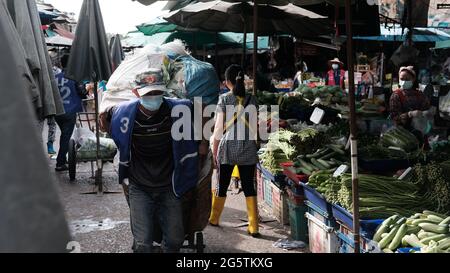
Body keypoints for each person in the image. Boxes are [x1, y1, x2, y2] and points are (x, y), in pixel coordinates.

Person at [103, 68, 199, 253]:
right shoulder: (123, 115)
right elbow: (112, 132)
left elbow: (195, 133)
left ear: (164, 91)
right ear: (136, 92)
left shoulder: (179, 111)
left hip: (170, 185)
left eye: (157, 92)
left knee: (174, 241)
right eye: (149, 93)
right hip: (139, 186)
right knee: (143, 244)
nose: (154, 97)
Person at [210, 64, 260, 237]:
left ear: (226, 82)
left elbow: (217, 129)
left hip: (228, 148)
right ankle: (253, 226)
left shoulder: (223, 99)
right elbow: (254, 128)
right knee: (248, 186)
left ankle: (214, 218)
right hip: (247, 147)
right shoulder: (252, 99)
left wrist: (214, 150)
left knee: (221, 185)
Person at [53, 55, 85, 172]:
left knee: (64, 135)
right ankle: (60, 163)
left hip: (57, 112)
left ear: (61, 64)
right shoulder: (75, 77)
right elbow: (82, 92)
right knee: (66, 137)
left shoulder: (55, 77)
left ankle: (62, 158)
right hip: (70, 110)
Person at [389, 66, 433, 139]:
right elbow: (394, 118)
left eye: (407, 79)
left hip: (420, 132)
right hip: (401, 134)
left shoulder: (420, 94)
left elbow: (426, 109)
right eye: (402, 79)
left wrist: (428, 113)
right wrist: (410, 114)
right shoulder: (396, 95)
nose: (404, 81)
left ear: (413, 79)